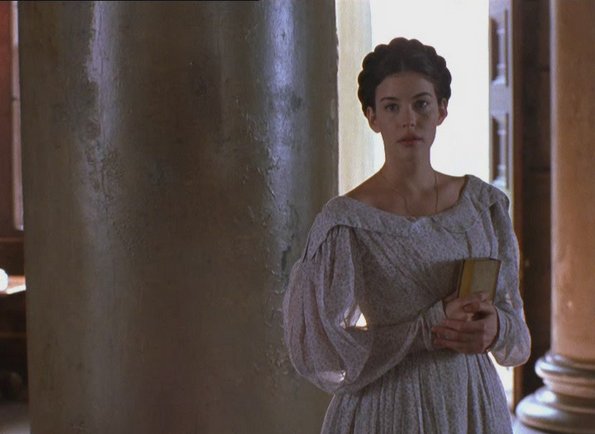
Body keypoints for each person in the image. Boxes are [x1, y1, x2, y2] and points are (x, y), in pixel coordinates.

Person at [282, 37, 531, 433]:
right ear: (372, 117)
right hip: (388, 405)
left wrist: (496, 327)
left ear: (442, 110)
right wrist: (424, 329)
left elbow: (517, 333)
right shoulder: (346, 221)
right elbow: (320, 347)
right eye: (391, 107)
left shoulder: (483, 206)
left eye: (421, 104)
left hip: (471, 402)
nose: (408, 120)